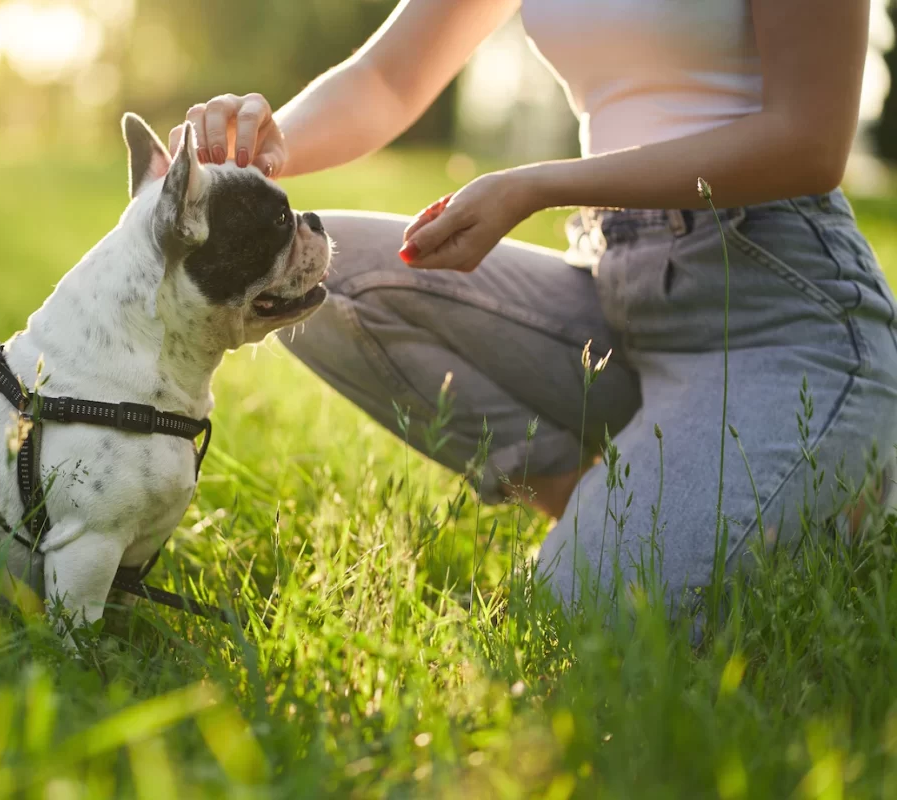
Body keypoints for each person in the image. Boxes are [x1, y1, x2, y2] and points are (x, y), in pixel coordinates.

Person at [172, 0, 897, 614]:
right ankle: (591, 501)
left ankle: (844, 487)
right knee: (319, 283)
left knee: (578, 623)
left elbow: (809, 139)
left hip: (781, 314)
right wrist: (258, 150)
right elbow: (387, 81)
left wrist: (539, 185)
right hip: (616, 288)